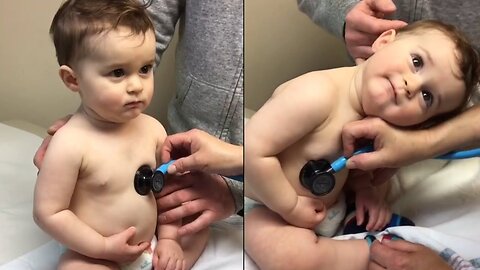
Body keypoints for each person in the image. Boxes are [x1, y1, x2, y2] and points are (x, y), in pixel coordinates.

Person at [245, 20, 479, 270]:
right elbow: (253, 150)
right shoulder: (317, 94)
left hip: (325, 208)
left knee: (384, 187)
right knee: (291, 258)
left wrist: (367, 191)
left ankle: (371, 243)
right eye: (417, 62)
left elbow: (355, 163)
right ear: (384, 41)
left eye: (427, 96)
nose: (412, 85)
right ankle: (373, 249)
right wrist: (289, 205)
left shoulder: (376, 123)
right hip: (270, 204)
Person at [34, 0, 244, 237]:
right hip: (94, 251)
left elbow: (166, 191)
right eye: (117, 72)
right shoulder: (69, 143)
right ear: (73, 80)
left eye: (145, 69)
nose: (136, 86)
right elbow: (48, 213)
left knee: (197, 234)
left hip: (149, 243)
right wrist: (102, 248)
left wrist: (168, 240)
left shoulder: (153, 130)